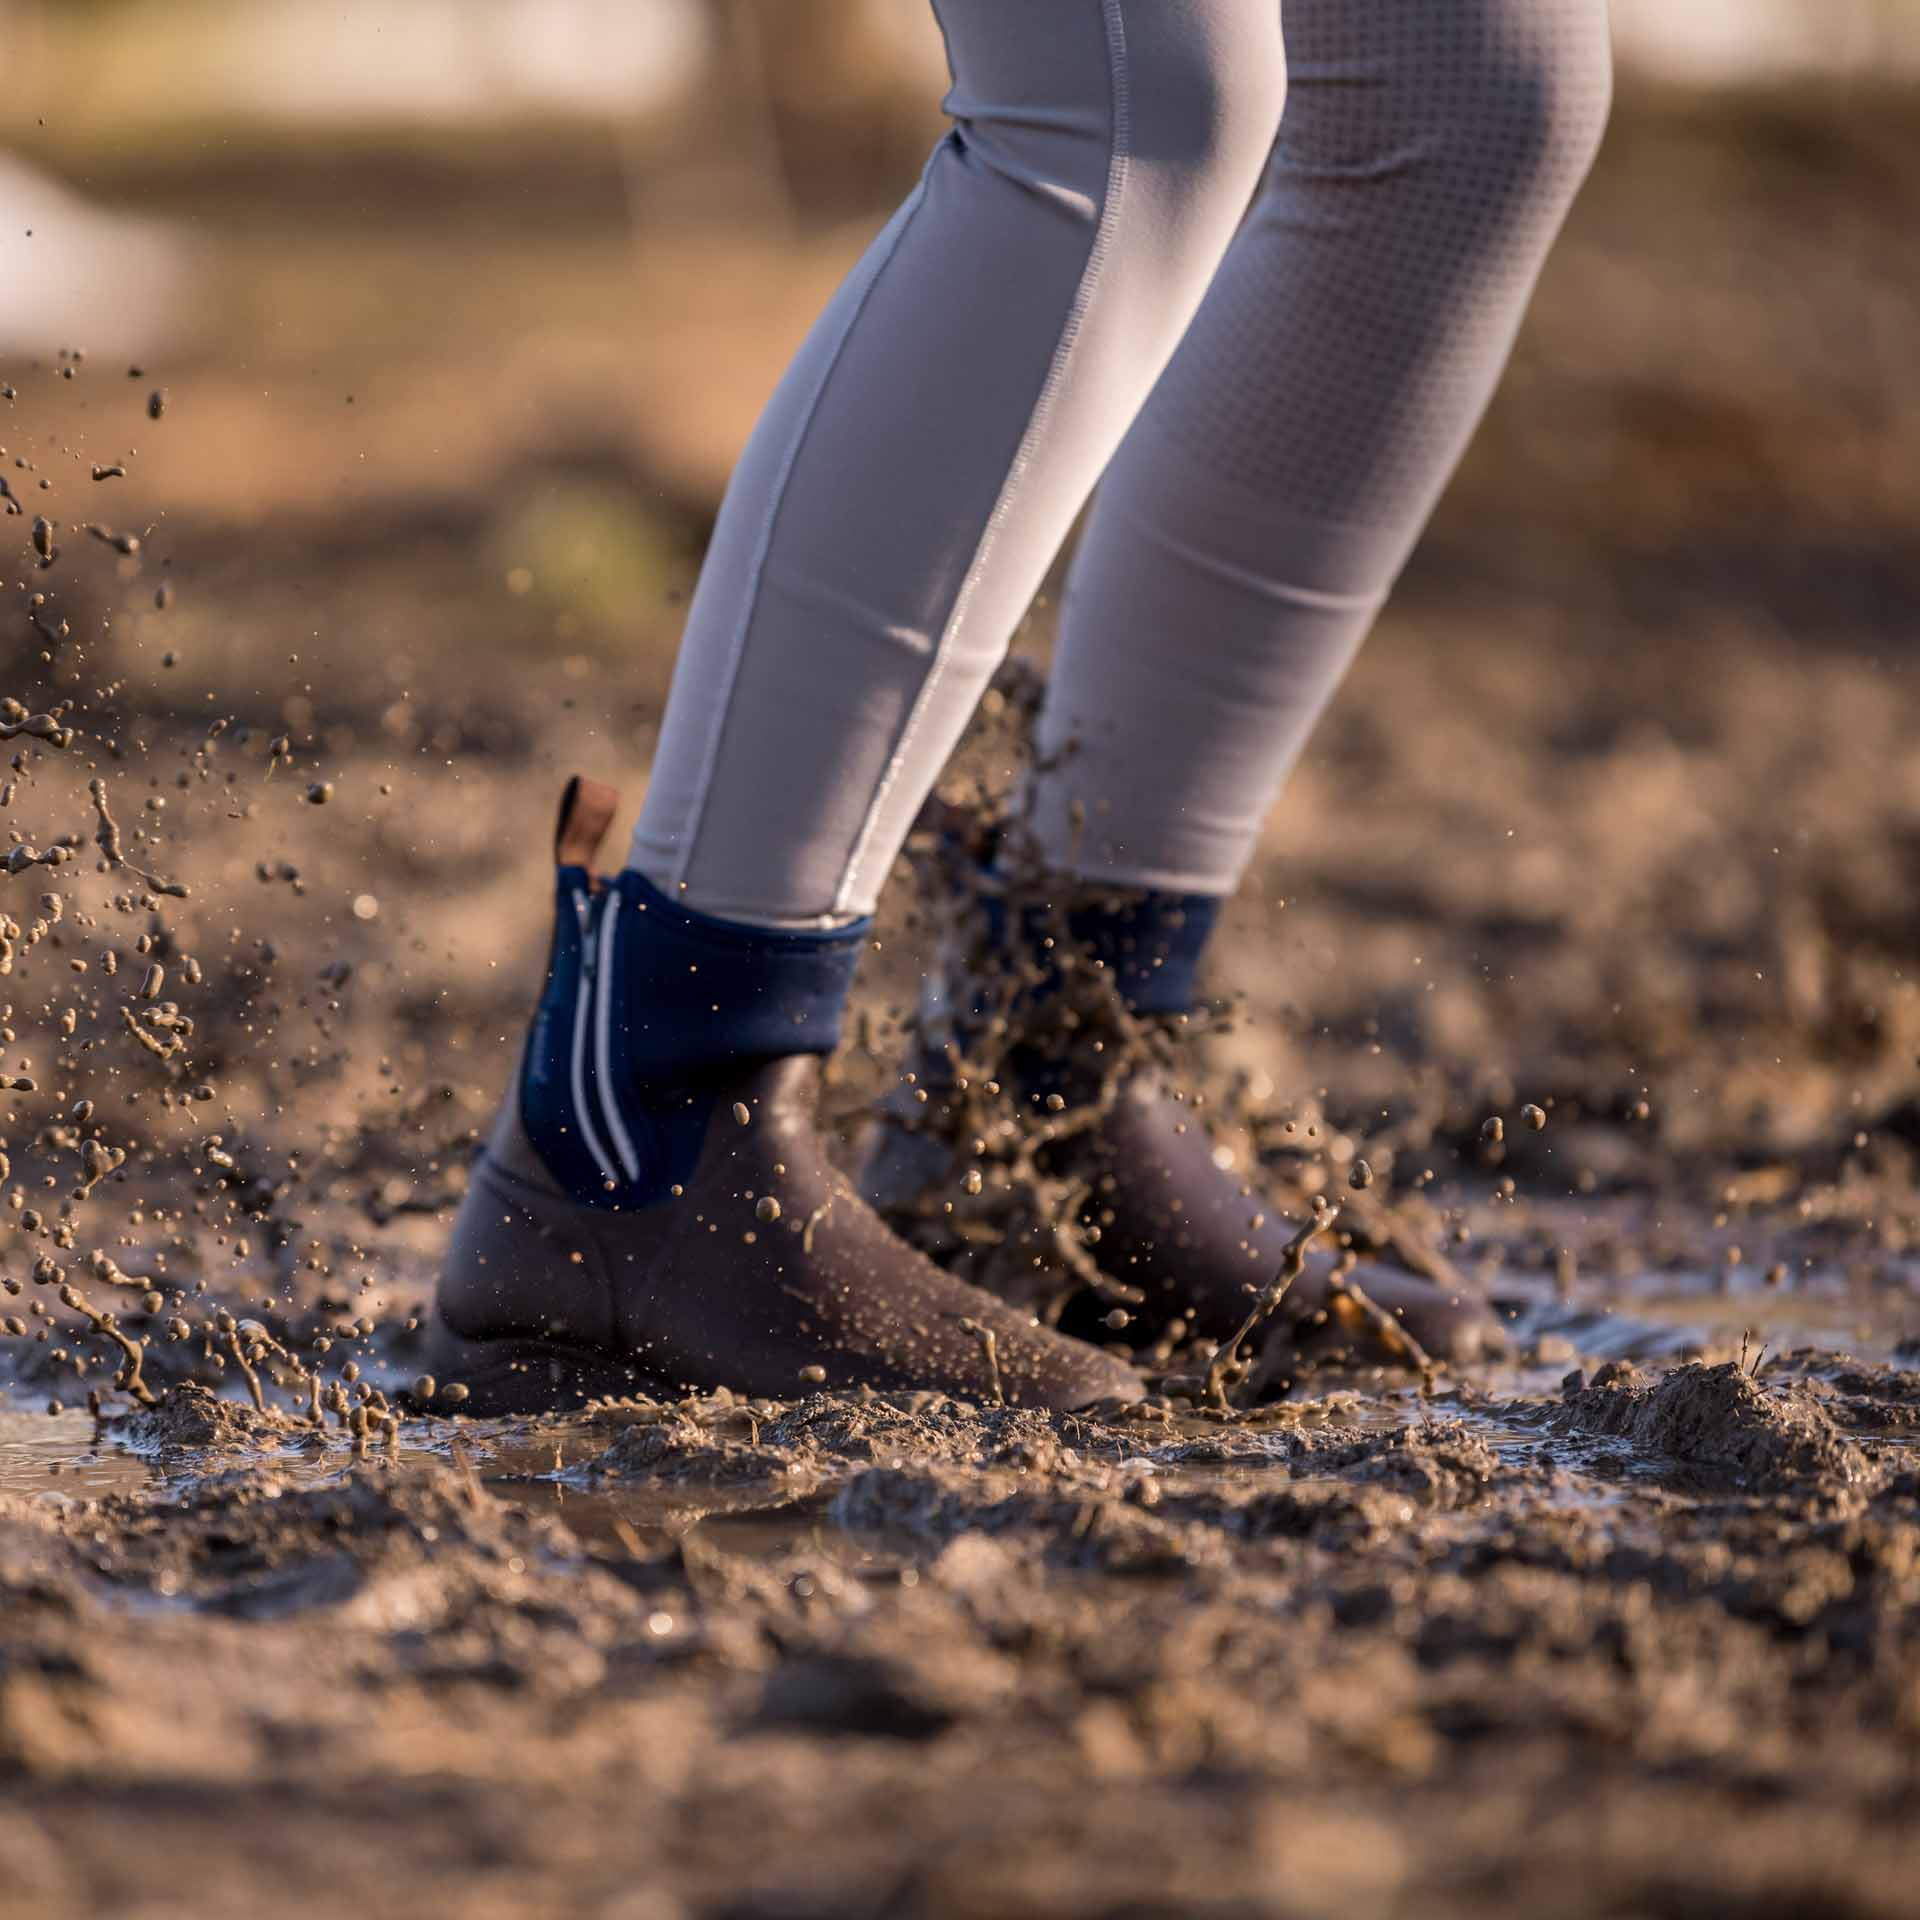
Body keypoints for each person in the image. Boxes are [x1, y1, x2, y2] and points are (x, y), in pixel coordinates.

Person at [430, 0, 1613, 1412]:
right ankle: (650, 1133)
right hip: (644, 1166)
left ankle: (1045, 1085)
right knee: (1134, 89)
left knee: (1472, 93)